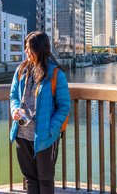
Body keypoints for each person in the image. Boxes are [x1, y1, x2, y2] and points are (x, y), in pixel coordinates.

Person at [9, 31, 71, 194]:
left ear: (41, 49)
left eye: (30, 48)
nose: (26, 51)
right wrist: (15, 109)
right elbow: (13, 95)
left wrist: (51, 130)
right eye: (26, 47)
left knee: (45, 180)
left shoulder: (56, 74)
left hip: (45, 136)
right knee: (30, 178)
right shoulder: (21, 70)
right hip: (22, 134)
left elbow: (64, 106)